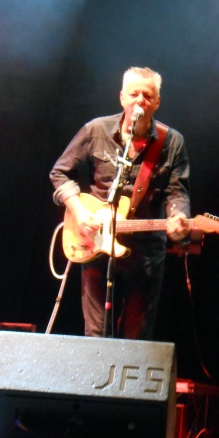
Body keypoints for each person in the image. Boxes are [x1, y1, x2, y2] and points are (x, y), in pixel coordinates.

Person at [50, 66, 191, 340]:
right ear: (122, 98)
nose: (140, 100)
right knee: (95, 333)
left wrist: (179, 216)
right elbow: (60, 172)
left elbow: (178, 192)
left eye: (148, 96)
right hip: (95, 244)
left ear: (157, 102)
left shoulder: (172, 142)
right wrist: (78, 211)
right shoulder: (96, 130)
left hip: (145, 253)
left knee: (137, 337)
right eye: (134, 94)